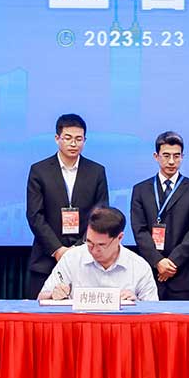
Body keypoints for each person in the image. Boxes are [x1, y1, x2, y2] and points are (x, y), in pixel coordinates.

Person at [26, 113, 109, 298]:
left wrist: (79, 249)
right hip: (46, 259)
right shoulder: (39, 171)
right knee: (41, 312)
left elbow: (101, 216)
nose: (73, 143)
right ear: (57, 138)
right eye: (68, 138)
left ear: (85, 140)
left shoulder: (96, 171)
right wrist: (58, 250)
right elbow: (35, 215)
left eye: (79, 139)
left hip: (87, 258)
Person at [130, 131, 189, 300]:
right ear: (156, 156)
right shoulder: (141, 190)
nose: (171, 161)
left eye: (176, 156)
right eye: (166, 156)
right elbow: (139, 230)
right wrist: (158, 262)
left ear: (182, 157)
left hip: (184, 274)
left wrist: (172, 263)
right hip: (151, 272)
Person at [38, 207, 158, 301]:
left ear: (119, 238)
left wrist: (136, 304)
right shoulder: (72, 258)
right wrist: (53, 295)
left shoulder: (139, 267)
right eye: (89, 242)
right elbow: (40, 298)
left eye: (101, 245)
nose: (94, 250)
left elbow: (153, 311)